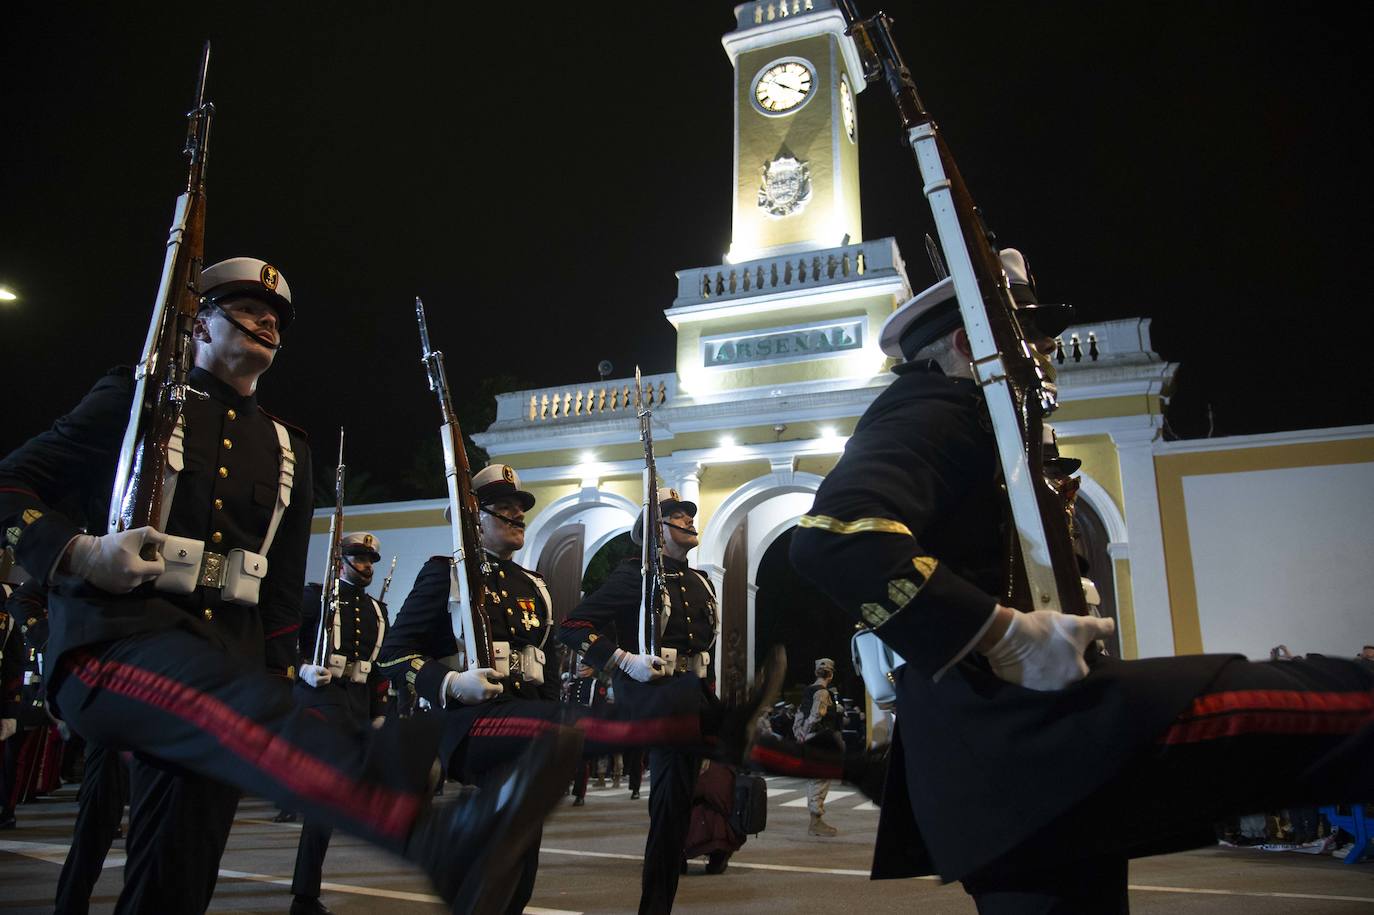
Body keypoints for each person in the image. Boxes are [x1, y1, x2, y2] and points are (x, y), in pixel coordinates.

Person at [788, 248, 1374, 912]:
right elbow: (832, 535)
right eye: (1030, 337)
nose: (1046, 352)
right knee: (1327, 704)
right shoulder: (940, 405)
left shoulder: (995, 427)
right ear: (965, 342)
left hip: (1023, 767)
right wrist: (999, 629)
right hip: (1021, 735)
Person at [0, 258, 576, 914]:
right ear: (198, 324)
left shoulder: (285, 448)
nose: (268, 319)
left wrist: (273, 677)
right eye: (246, 307)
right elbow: (11, 484)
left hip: (228, 668)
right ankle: (430, 832)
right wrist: (78, 552)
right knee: (196, 726)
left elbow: (276, 594)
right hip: (116, 645)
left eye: (276, 317)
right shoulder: (137, 400)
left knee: (177, 873)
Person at [558, 487, 730, 915]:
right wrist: (622, 660)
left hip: (694, 701)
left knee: (681, 808)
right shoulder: (634, 575)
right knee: (670, 813)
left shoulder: (700, 580)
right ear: (657, 532)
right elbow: (573, 626)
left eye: (689, 516)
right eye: (677, 516)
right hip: (660, 701)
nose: (690, 520)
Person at [288, 531, 392, 915]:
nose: (365, 567)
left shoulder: (377, 610)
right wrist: (301, 669)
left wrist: (381, 711)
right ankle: (304, 896)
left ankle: (305, 893)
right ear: (340, 560)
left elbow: (380, 667)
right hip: (319, 697)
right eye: (358, 558)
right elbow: (284, 642)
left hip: (357, 702)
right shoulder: (315, 597)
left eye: (370, 561)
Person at [794, 657, 844, 837]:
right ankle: (816, 822)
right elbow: (816, 715)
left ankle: (815, 821)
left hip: (808, 738)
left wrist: (800, 733)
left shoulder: (808, 691)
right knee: (820, 779)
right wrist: (808, 730)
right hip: (819, 739)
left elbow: (799, 715)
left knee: (814, 779)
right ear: (830, 675)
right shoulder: (823, 693)